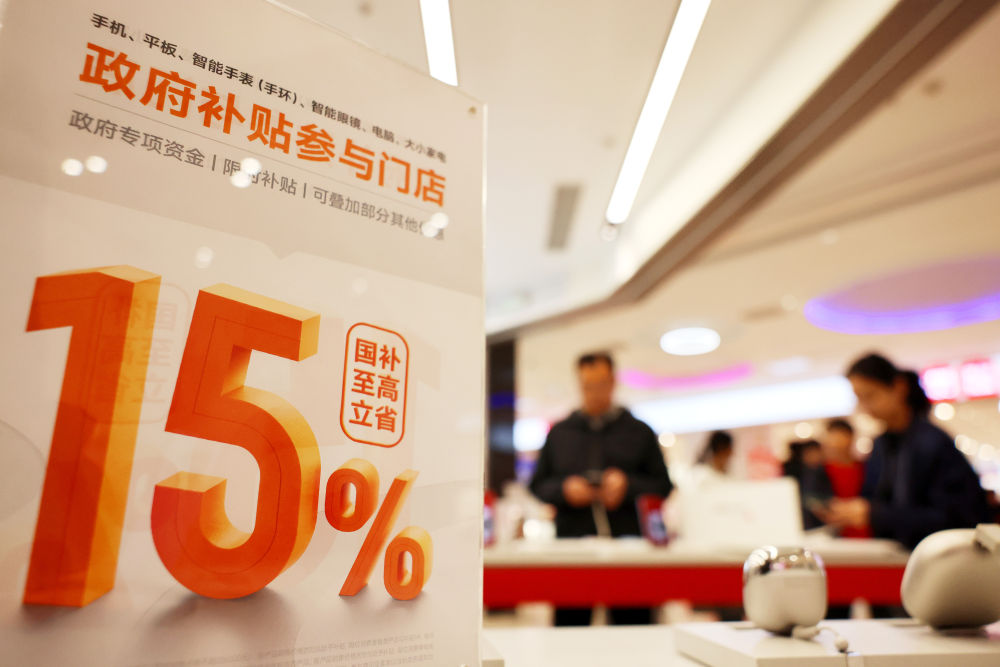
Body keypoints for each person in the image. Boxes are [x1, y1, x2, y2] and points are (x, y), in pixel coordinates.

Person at [529, 352, 673, 626]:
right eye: (588, 385)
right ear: (579, 384)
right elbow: (538, 485)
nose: (595, 392)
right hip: (572, 551)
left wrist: (628, 486)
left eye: (601, 384)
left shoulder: (639, 431)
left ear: (613, 382)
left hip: (629, 552)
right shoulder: (560, 433)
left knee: (633, 631)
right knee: (570, 632)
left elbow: (663, 486)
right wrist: (565, 490)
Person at [822, 353, 990, 549]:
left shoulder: (932, 442)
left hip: (938, 557)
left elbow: (956, 519)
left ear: (899, 387)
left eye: (870, 396)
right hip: (896, 556)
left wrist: (876, 515)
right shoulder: (880, 446)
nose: (865, 407)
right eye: (860, 399)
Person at [822, 418, 870, 538]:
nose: (835, 443)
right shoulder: (821, 471)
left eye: (839, 437)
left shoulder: (866, 467)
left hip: (867, 527)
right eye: (832, 438)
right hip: (837, 532)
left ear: (850, 438)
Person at [782, 440, 832, 530]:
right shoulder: (795, 473)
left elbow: (827, 495)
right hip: (801, 519)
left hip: (821, 523)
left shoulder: (823, 472)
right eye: (810, 453)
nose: (815, 456)